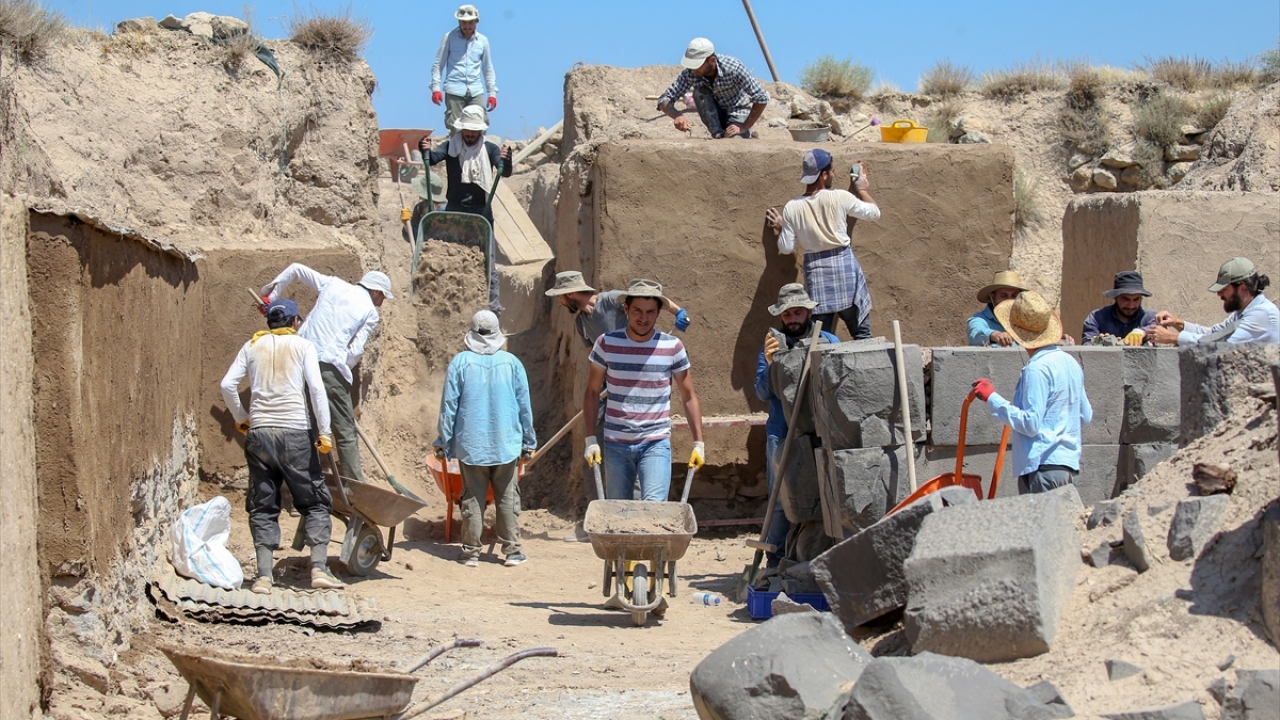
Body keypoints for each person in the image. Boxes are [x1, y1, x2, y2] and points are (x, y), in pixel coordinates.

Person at [220, 298, 343, 592]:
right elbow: (316, 390)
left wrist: (242, 417)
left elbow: (227, 385)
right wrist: (324, 432)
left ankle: (263, 576)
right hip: (296, 434)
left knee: (263, 504)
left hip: (260, 433)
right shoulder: (303, 346)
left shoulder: (252, 345)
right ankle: (318, 569)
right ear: (295, 322)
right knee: (314, 500)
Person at [261, 265, 392, 485]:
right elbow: (357, 350)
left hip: (298, 360)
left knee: (303, 429)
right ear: (376, 291)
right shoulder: (370, 311)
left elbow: (295, 269)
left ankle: (298, 492)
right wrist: (342, 366)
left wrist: (271, 296)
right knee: (345, 432)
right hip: (328, 368)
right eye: (383, 297)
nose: (382, 302)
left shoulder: (332, 284)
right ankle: (355, 487)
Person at [583, 279, 705, 501]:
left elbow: (689, 396)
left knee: (654, 513)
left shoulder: (672, 347)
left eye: (650, 312)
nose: (643, 318)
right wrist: (590, 438)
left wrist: (699, 442)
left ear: (658, 313)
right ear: (626, 309)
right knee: (618, 514)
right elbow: (592, 392)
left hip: (655, 443)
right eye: (637, 310)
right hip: (616, 443)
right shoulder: (606, 344)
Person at [434, 311, 536, 567]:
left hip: (472, 445)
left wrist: (443, 442)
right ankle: (512, 551)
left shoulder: (460, 362)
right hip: (506, 443)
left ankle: (471, 553)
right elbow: (525, 406)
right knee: (507, 497)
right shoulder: (512, 363)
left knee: (472, 497)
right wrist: (528, 442)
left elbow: (449, 407)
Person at [972, 291, 1093, 495]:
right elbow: (1085, 416)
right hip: (1067, 466)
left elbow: (1030, 424)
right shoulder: (1070, 363)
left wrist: (992, 398)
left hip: (1042, 468)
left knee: (1040, 526)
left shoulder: (1036, 369)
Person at [754, 284, 838, 567]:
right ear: (781, 316)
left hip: (822, 434)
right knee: (781, 498)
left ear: (809, 312)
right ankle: (775, 559)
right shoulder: (772, 345)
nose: (793, 318)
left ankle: (816, 554)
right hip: (782, 432)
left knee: (825, 494)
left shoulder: (828, 341)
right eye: (788, 313)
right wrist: (770, 363)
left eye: (798, 312)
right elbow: (763, 393)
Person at [766, 148, 881, 339]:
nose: (833, 174)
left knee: (820, 342)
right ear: (824, 174)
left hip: (817, 278)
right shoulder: (840, 197)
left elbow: (785, 248)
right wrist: (861, 189)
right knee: (862, 336)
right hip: (846, 275)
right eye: (832, 171)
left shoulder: (792, 207)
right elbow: (875, 213)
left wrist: (784, 225)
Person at [419, 105, 511, 314]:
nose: (469, 135)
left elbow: (504, 171)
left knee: (489, 263)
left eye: (473, 131)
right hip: (454, 210)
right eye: (466, 130)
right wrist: (423, 148)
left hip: (481, 212)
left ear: (481, 131)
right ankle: (443, 304)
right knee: (447, 259)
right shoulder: (452, 147)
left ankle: (492, 310)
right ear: (461, 129)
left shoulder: (490, 149)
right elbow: (432, 158)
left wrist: (507, 160)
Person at [543, 270, 691, 349]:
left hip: (642, 360)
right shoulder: (581, 324)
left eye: (560, 297)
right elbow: (593, 357)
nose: (561, 302)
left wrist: (678, 312)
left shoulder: (611, 299)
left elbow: (648, 298)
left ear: (570, 294)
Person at [656, 38, 769, 140]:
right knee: (699, 91)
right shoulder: (690, 73)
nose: (693, 70)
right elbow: (664, 99)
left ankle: (742, 135)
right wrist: (677, 116)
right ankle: (718, 135)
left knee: (735, 143)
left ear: (712, 60)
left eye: (697, 65)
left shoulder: (733, 67)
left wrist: (744, 127)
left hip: (737, 110)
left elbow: (761, 97)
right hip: (715, 116)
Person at [1149, 257, 1279, 345]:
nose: (1219, 294)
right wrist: (1177, 323)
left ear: (1242, 289)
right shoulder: (1243, 312)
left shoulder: (1262, 314)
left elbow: (1220, 345)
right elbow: (1214, 334)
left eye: (1224, 289)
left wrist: (1172, 338)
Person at [430, 4, 497, 135]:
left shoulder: (483, 41)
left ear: (476, 22)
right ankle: (456, 155)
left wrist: (492, 93)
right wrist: (435, 89)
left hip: (475, 90)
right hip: (454, 89)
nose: (467, 26)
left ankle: (477, 155)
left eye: (470, 22)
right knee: (456, 128)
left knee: (479, 125)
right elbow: (438, 64)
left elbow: (487, 68)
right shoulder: (449, 38)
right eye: (464, 23)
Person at [1081, 270, 1157, 345]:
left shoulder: (1149, 317)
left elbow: (1159, 327)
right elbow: (1087, 345)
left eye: (1136, 299)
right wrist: (1100, 344)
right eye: (1126, 299)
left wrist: (1141, 331)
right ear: (1116, 297)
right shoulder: (1096, 317)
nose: (1131, 305)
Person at [968, 270, 1027, 347]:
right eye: (1003, 295)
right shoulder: (980, 319)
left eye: (1014, 296)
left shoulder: (1024, 320)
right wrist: (994, 335)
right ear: (993, 297)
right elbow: (976, 333)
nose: (1008, 300)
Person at [407, 169, 446, 244]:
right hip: (424, 251)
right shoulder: (419, 208)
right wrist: (406, 224)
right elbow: (413, 237)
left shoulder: (443, 212)